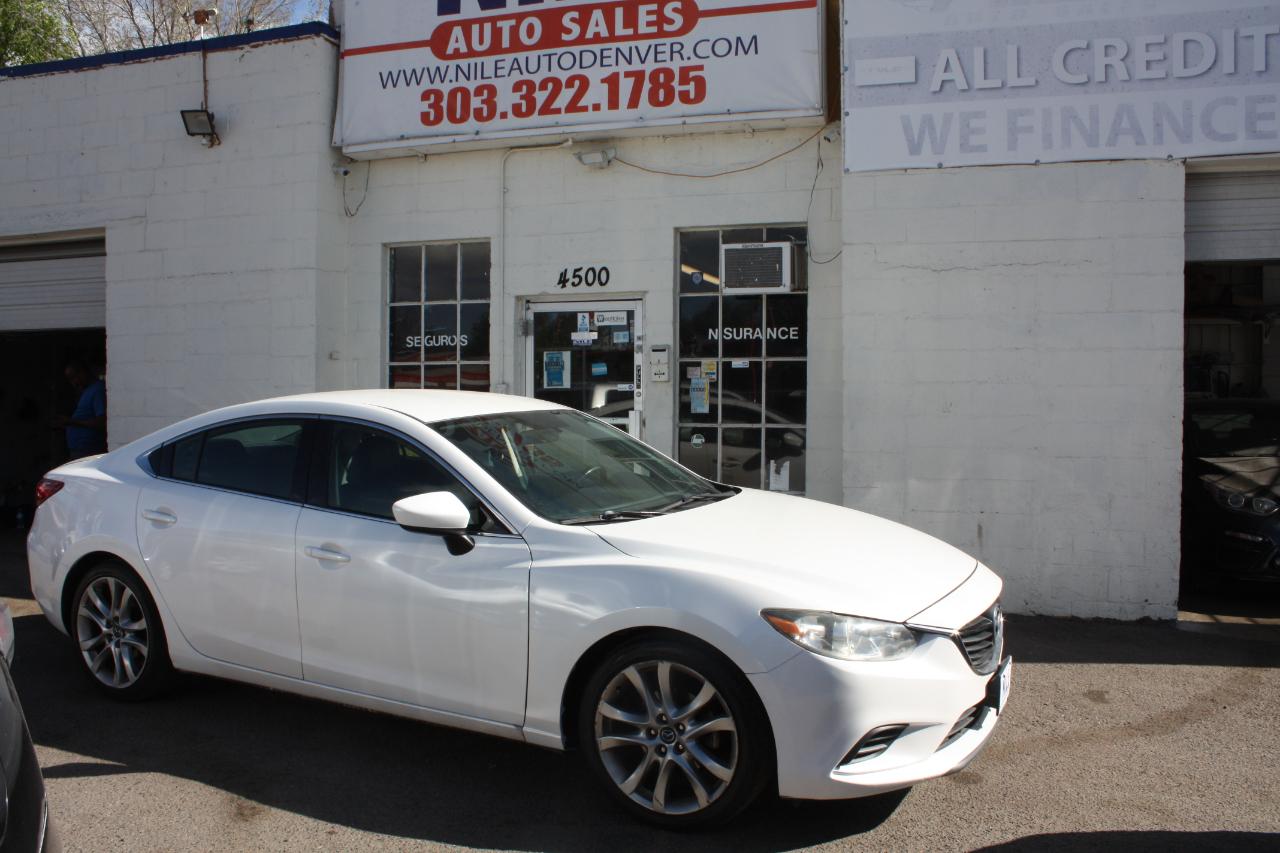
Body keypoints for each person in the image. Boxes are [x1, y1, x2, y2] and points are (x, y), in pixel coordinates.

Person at [55, 360, 107, 459]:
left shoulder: (98, 390)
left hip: (88, 451)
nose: (74, 383)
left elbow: (101, 421)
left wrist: (71, 422)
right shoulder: (87, 390)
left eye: (73, 377)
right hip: (80, 449)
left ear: (82, 373)